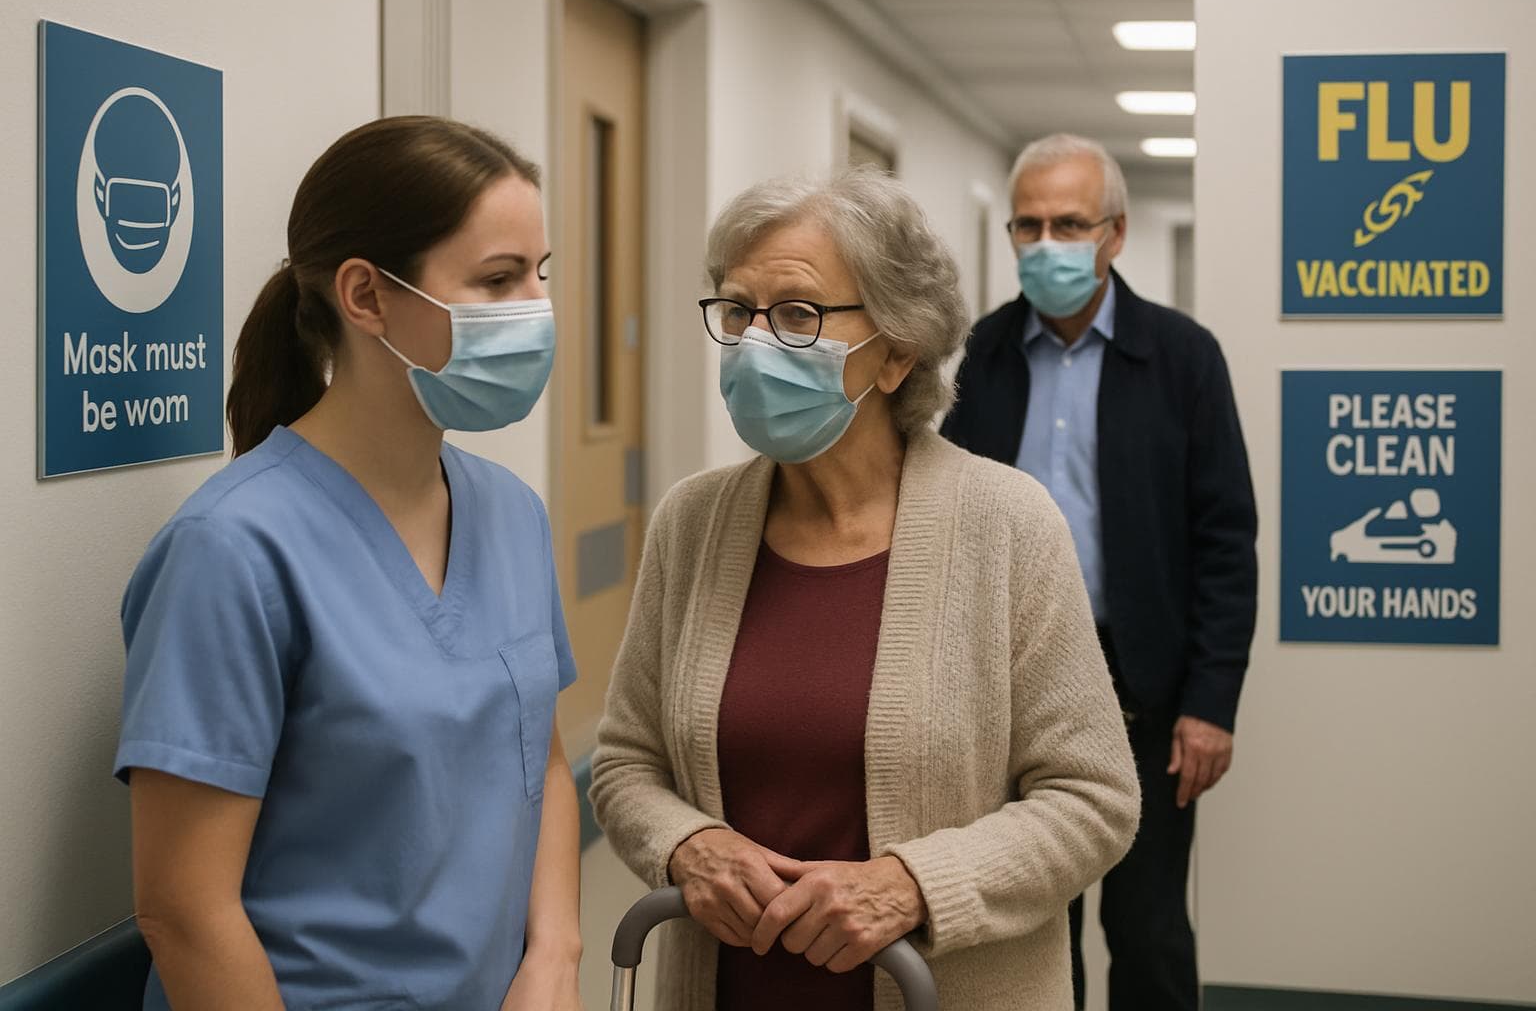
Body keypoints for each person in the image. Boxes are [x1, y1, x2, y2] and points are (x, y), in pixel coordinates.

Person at [590, 167, 1140, 1011]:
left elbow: (1093, 800)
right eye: (737, 312)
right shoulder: (692, 523)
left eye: (798, 315)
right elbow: (627, 763)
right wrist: (686, 845)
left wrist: (913, 885)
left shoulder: (1008, 525)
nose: (755, 343)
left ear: (896, 351)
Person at [114, 116, 583, 1011]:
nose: (536, 308)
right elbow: (184, 911)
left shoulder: (511, 514)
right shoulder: (232, 551)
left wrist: (555, 957)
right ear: (366, 296)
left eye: (540, 273)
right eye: (498, 279)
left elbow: (545, 764)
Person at [942, 133, 1259, 1011]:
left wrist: (1211, 702)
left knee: (1148, 928)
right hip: (1011, 682)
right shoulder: (983, 353)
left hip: (1145, 687)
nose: (1046, 244)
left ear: (1114, 233)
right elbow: (946, 515)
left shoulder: (1183, 357)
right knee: (1032, 927)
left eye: (1070, 224)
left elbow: (1226, 538)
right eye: (1029, 225)